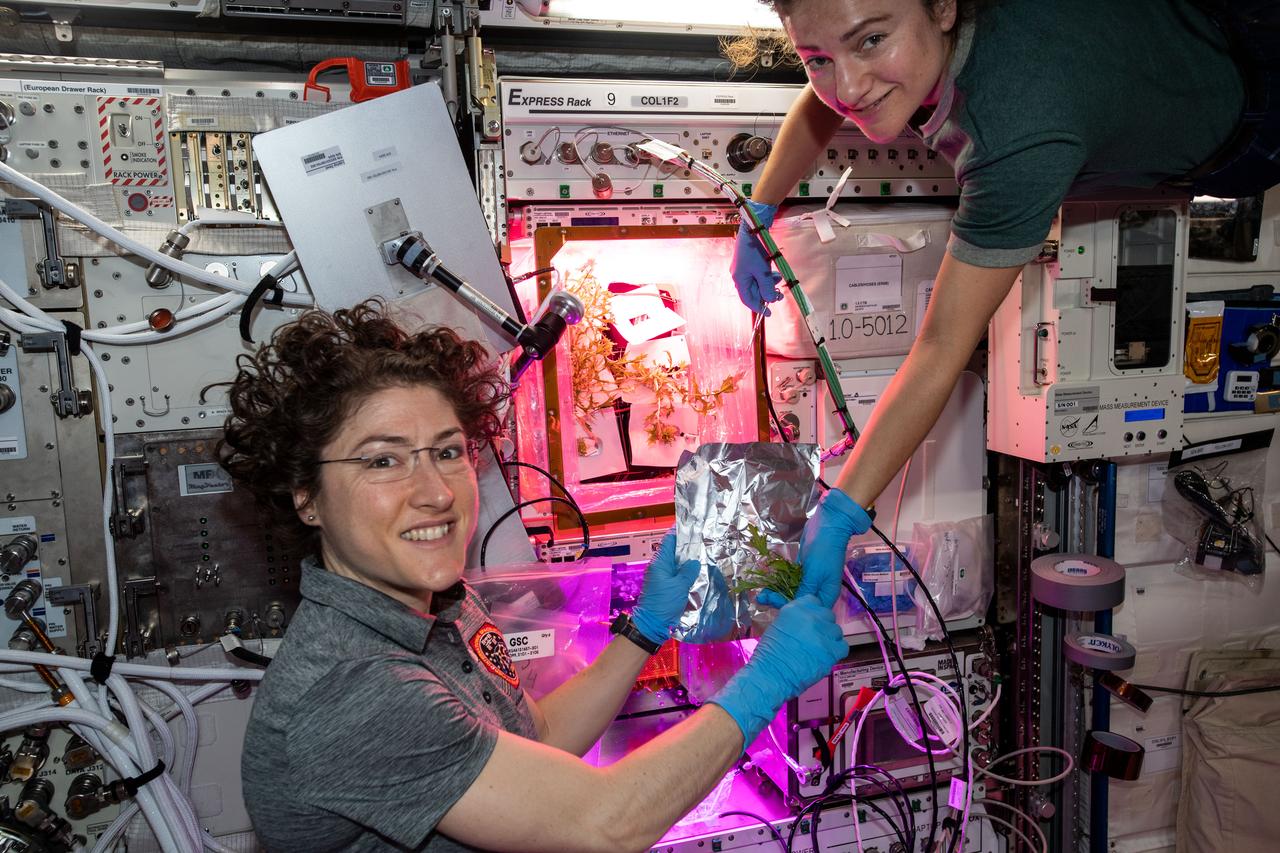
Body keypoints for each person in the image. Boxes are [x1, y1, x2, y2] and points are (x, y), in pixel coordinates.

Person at [217, 300, 849, 853]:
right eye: (383, 460)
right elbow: (607, 823)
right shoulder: (356, 691)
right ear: (307, 496)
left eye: (446, 451)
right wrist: (764, 682)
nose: (435, 491)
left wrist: (645, 630)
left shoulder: (440, 604)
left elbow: (536, 737)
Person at [730, 0, 1280, 588]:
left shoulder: (1013, 133)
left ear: (943, 8)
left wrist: (841, 511)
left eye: (870, 42)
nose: (847, 85)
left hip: (1255, 106)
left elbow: (940, 348)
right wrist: (759, 207)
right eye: (816, 58)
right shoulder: (913, 39)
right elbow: (832, 88)